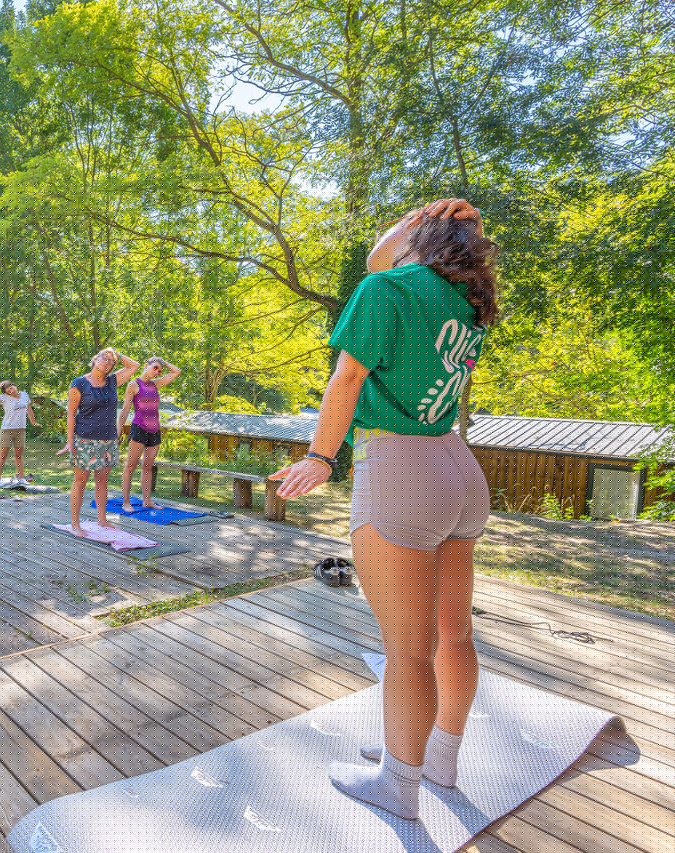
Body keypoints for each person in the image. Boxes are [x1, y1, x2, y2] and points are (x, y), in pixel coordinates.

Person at [269, 198, 497, 820]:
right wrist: (440, 227)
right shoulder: (467, 299)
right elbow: (387, 258)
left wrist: (321, 455)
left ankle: (399, 785)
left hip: (398, 471)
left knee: (408, 650)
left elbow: (346, 380)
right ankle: (436, 759)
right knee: (454, 635)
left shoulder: (383, 288)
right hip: (458, 466)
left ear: (415, 239)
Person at [58, 348, 139, 536]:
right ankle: (75, 524)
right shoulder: (79, 383)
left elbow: (134, 366)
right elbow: (71, 414)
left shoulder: (113, 381)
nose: (107, 361)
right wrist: (70, 442)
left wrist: (116, 354)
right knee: (81, 481)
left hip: (108, 439)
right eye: (104, 357)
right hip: (85, 439)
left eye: (111, 361)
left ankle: (102, 520)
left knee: (102, 481)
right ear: (95, 359)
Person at [118, 357, 181, 509]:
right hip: (139, 429)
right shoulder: (134, 384)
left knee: (148, 467)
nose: (157, 372)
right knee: (130, 466)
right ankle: (126, 502)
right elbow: (126, 409)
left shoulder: (156, 384)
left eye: (159, 370)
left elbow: (176, 371)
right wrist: (118, 430)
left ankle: (147, 501)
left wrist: (163, 361)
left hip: (155, 431)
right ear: (146, 365)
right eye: (155, 368)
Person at [0, 381, 37, 485]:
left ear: (15, 385)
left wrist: (33, 422)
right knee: (3, 456)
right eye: (8, 390)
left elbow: (29, 409)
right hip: (7, 430)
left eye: (11, 387)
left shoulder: (24, 395)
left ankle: (22, 478)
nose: (11, 390)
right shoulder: (4, 397)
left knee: (18, 456)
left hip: (21, 430)